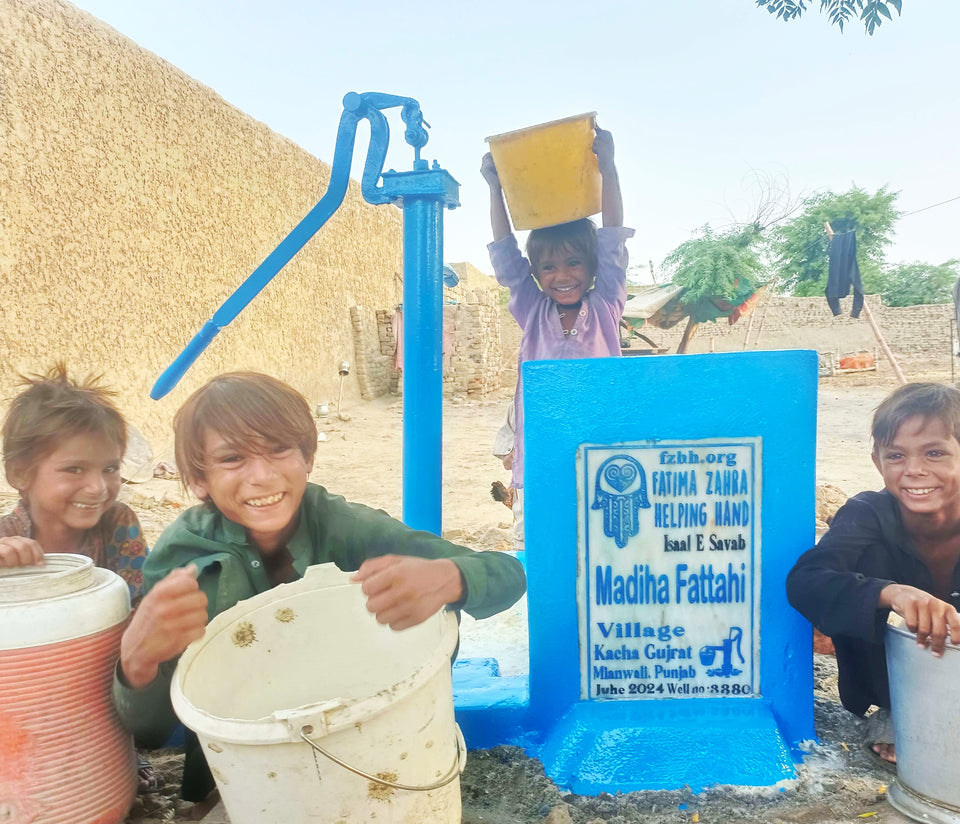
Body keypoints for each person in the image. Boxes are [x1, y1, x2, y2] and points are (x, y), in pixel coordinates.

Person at [113, 371, 527, 801]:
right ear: (199, 479)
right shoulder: (181, 559)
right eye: (233, 459)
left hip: (377, 747)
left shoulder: (338, 524)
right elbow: (150, 732)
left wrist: (452, 578)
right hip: (246, 776)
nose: (262, 475)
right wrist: (137, 664)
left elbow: (507, 575)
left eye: (278, 450)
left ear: (307, 457)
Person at [787, 382, 960, 763]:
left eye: (934, 453)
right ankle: (902, 718)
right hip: (896, 689)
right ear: (878, 463)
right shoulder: (865, 515)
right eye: (896, 456)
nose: (914, 470)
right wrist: (892, 593)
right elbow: (805, 582)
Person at [0, 363, 156, 790]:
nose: (97, 488)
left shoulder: (118, 522)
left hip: (100, 683)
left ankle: (123, 755)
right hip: (25, 702)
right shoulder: (5, 539)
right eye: (74, 470)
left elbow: (140, 607)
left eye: (109, 468)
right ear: (20, 474)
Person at [481, 126, 633, 545]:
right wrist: (496, 187)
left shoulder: (604, 306)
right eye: (548, 268)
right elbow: (505, 254)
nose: (562, 276)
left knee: (602, 542)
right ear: (536, 274)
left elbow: (613, 238)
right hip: (542, 455)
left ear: (591, 267)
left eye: (572, 264)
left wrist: (610, 168)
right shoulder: (533, 311)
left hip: (601, 451)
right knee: (542, 544)